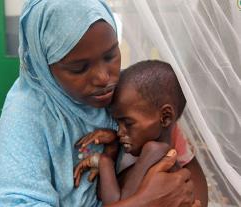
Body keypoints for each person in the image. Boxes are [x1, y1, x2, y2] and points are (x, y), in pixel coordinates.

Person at [0, 0, 197, 206]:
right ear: (44, 66)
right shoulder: (27, 113)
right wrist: (144, 203)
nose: (103, 78)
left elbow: (189, 171)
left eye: (111, 55)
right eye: (79, 68)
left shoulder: (134, 93)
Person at [74, 60, 208, 206]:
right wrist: (111, 150)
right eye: (118, 124)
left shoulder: (154, 151)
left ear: (165, 117)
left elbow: (113, 201)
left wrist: (104, 161)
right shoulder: (154, 155)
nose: (119, 132)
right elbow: (106, 193)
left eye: (128, 123)